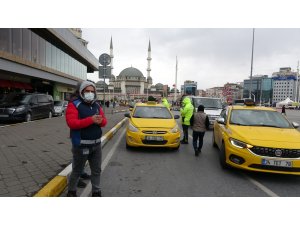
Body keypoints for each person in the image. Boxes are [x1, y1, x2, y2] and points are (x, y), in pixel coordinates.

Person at [66, 81, 107, 197]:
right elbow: (72, 123)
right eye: (87, 91)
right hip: (81, 145)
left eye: (92, 91)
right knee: (77, 171)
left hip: (96, 145)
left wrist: (100, 121)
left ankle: (96, 191)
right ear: (81, 92)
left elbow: (104, 122)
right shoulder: (74, 105)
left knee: (96, 170)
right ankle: (72, 191)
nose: (90, 93)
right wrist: (91, 120)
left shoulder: (97, 105)